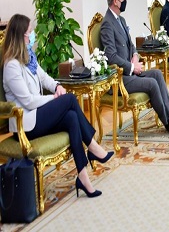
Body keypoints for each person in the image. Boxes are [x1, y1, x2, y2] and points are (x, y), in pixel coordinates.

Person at [2, 14, 114, 198]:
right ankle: (92, 146)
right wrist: (53, 98)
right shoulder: (12, 66)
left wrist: (57, 86)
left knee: (71, 118)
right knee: (69, 100)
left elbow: (44, 77)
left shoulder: (28, 58)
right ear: (20, 36)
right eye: (30, 32)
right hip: (25, 125)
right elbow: (28, 101)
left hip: (37, 114)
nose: (32, 35)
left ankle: (83, 177)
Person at [99, 0, 169, 134]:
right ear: (115, 1)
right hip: (121, 78)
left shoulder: (121, 20)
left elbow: (131, 45)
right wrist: (132, 67)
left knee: (157, 74)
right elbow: (111, 56)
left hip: (130, 71)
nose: (125, 0)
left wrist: (135, 55)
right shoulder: (107, 24)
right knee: (152, 84)